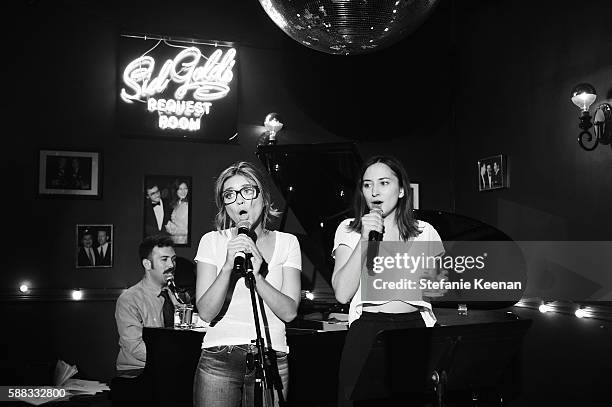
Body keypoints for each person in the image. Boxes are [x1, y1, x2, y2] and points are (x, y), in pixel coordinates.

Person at [331, 155, 446, 406]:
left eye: (383, 183)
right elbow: (341, 294)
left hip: (415, 328)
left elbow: (438, 288)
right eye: (367, 184)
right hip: (369, 328)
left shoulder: (425, 231)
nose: (374, 191)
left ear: (402, 189)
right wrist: (364, 240)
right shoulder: (348, 229)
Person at [193, 161, 301, 407]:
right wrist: (228, 267)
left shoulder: (288, 243)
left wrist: (258, 274)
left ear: (263, 196)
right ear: (225, 207)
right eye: (229, 195)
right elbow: (207, 312)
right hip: (219, 356)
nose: (239, 201)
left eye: (247, 191)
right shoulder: (212, 241)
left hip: (271, 355)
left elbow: (290, 312)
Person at [111, 235, 178, 406]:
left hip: (170, 369)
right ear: (147, 264)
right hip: (136, 372)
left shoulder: (179, 296)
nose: (171, 265)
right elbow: (134, 346)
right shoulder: (129, 299)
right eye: (164, 259)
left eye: (173, 259)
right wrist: (174, 361)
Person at [165, 179, 190, 244]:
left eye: (185, 188)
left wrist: (173, 230)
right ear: (176, 190)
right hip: (173, 240)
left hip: (184, 241)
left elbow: (189, 230)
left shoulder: (189, 205)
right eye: (180, 189)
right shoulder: (177, 203)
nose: (183, 191)